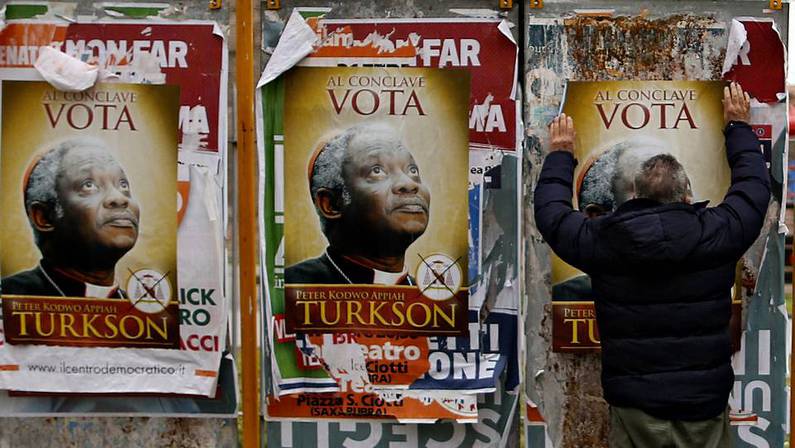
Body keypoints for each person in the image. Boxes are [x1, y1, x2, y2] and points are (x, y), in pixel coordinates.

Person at [534, 82, 770, 447]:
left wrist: (561, 153)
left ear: (633, 196)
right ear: (687, 194)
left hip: (636, 409)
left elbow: (551, 214)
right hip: (703, 406)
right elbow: (753, 188)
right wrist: (738, 126)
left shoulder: (604, 242)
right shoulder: (718, 233)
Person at [286, 122, 431, 286]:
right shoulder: (294, 285)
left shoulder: (435, 297)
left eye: (412, 170)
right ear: (331, 204)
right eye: (377, 171)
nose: (409, 183)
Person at [2, 138, 140, 298]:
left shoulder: (145, 312)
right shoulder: (9, 295)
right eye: (89, 185)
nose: (120, 198)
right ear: (44, 217)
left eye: (123, 185)